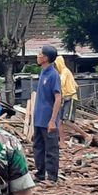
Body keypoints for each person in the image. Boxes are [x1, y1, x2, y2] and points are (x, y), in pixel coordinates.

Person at [31, 45, 63, 183]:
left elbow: (58, 98)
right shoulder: (42, 72)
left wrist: (52, 120)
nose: (37, 56)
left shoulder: (53, 75)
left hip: (48, 120)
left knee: (51, 150)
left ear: (45, 58)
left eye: (39, 54)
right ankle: (40, 174)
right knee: (38, 148)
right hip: (39, 119)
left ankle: (52, 177)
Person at [55, 55, 79, 123]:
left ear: (59, 64)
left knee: (67, 120)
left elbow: (61, 83)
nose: (56, 67)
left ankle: (84, 134)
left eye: (56, 65)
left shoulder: (64, 71)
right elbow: (76, 86)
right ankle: (62, 133)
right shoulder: (66, 72)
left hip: (70, 98)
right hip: (66, 98)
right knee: (61, 120)